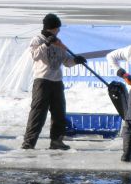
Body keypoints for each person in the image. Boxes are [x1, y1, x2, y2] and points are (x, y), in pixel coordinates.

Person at [21, 13, 86, 150]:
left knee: (59, 113)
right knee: (38, 113)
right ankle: (29, 143)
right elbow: (35, 55)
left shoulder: (58, 42)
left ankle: (57, 141)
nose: (59, 31)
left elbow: (66, 61)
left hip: (57, 82)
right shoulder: (37, 40)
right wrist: (47, 43)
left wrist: (76, 60)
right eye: (57, 28)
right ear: (52, 28)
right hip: (42, 81)